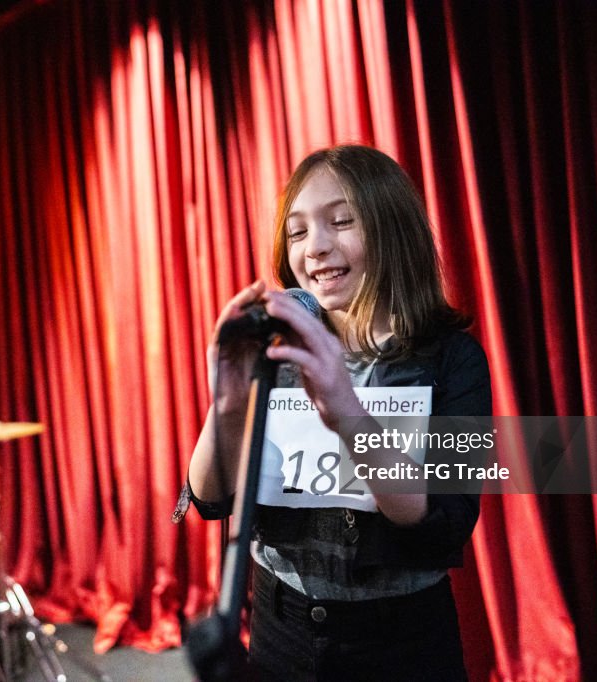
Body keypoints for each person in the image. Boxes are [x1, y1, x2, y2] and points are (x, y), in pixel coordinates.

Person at [185, 145, 491, 681]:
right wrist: (227, 405)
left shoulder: (454, 359)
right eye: (297, 232)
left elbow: (443, 524)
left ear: (392, 229)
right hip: (280, 633)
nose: (316, 248)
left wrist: (346, 412)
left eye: (341, 221)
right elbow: (209, 499)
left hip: (401, 646)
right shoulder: (277, 352)